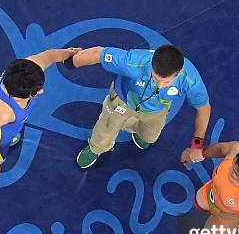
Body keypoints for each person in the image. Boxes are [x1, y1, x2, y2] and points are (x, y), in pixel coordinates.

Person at [0, 48, 81, 206]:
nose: (42, 91)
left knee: (13, 128)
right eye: (36, 92)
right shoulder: (1, 112)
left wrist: (69, 54)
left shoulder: (29, 68)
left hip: (10, 124)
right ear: (20, 95)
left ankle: (11, 134)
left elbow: (50, 55)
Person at [67, 44, 211, 168]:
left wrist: (197, 145)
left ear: (178, 73)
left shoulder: (191, 80)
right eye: (156, 79)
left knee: (150, 137)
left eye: (166, 82)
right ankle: (96, 148)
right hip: (123, 100)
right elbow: (98, 53)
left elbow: (204, 109)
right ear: (152, 63)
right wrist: (70, 61)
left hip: (156, 109)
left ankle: (136, 129)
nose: (159, 85)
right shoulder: (134, 61)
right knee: (107, 128)